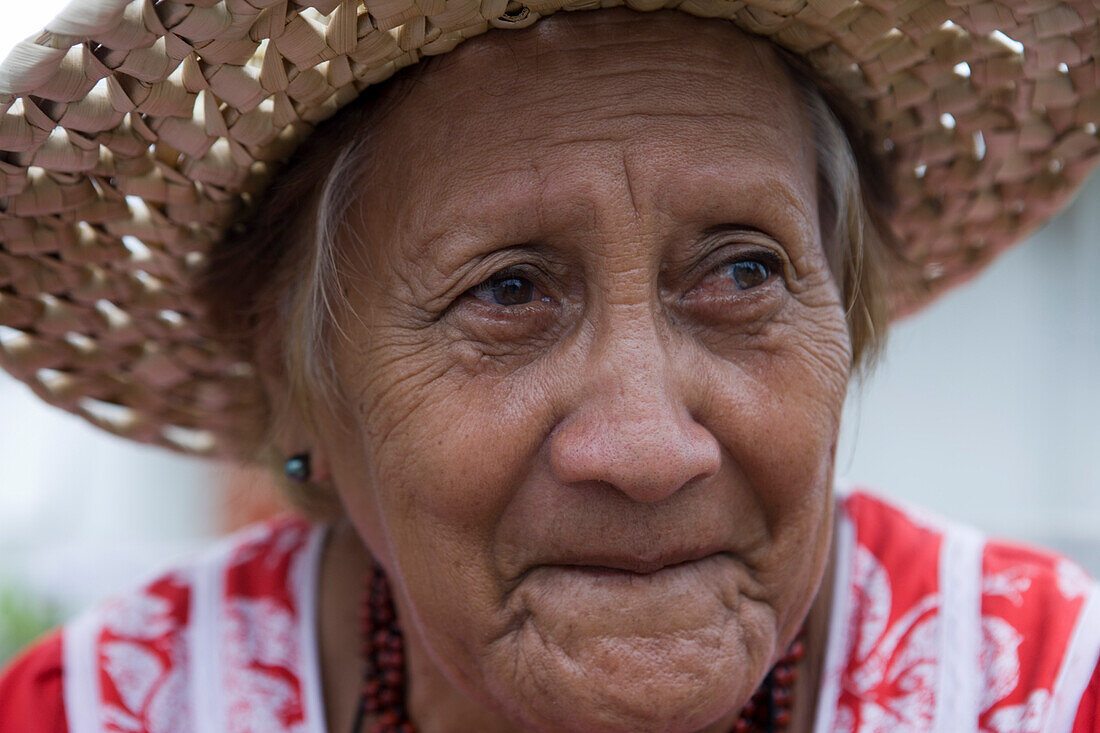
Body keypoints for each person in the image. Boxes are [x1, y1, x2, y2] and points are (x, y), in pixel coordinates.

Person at [0, 0, 1098, 731]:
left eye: (742, 273)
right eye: (508, 291)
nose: (650, 450)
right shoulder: (106, 709)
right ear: (300, 386)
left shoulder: (1041, 689)